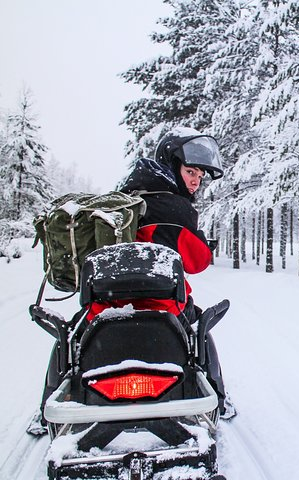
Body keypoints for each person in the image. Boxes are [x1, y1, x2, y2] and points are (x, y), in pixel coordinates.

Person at [27, 128, 234, 436]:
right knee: (200, 329)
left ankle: (45, 409)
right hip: (166, 307)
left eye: (200, 175)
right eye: (191, 171)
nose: (195, 180)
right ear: (171, 165)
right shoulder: (176, 207)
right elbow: (197, 261)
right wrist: (201, 242)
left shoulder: (125, 200)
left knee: (69, 338)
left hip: (107, 305)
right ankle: (219, 397)